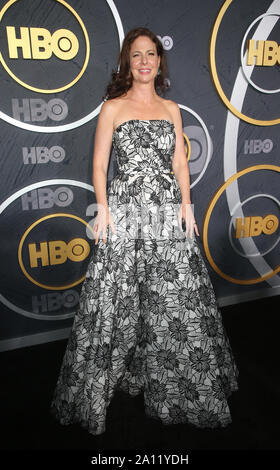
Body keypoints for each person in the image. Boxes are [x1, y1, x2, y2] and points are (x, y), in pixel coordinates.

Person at [50, 27, 238, 435]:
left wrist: (187, 206)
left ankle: (180, 385)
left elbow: (180, 165)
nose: (145, 62)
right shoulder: (112, 108)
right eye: (136, 55)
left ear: (159, 61)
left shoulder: (172, 109)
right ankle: (103, 383)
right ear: (127, 62)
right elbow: (100, 165)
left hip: (169, 213)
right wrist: (102, 209)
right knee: (115, 298)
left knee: (173, 298)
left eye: (151, 54)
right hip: (126, 213)